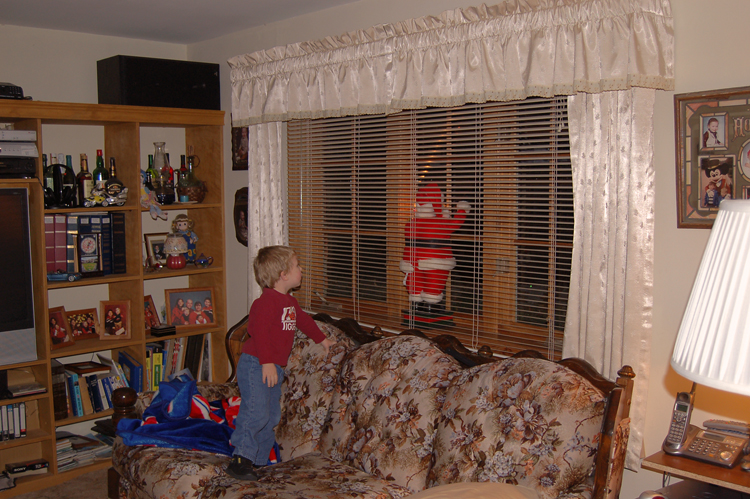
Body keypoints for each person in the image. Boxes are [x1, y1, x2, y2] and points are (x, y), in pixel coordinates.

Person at [226, 245, 335, 481]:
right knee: (256, 412)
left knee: (272, 415)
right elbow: (260, 333)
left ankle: (259, 461)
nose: (302, 269)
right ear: (283, 274)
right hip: (256, 364)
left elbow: (304, 321)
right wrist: (266, 362)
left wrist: (322, 339)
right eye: (297, 265)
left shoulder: (290, 302)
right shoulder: (265, 303)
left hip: (272, 367)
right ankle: (239, 459)